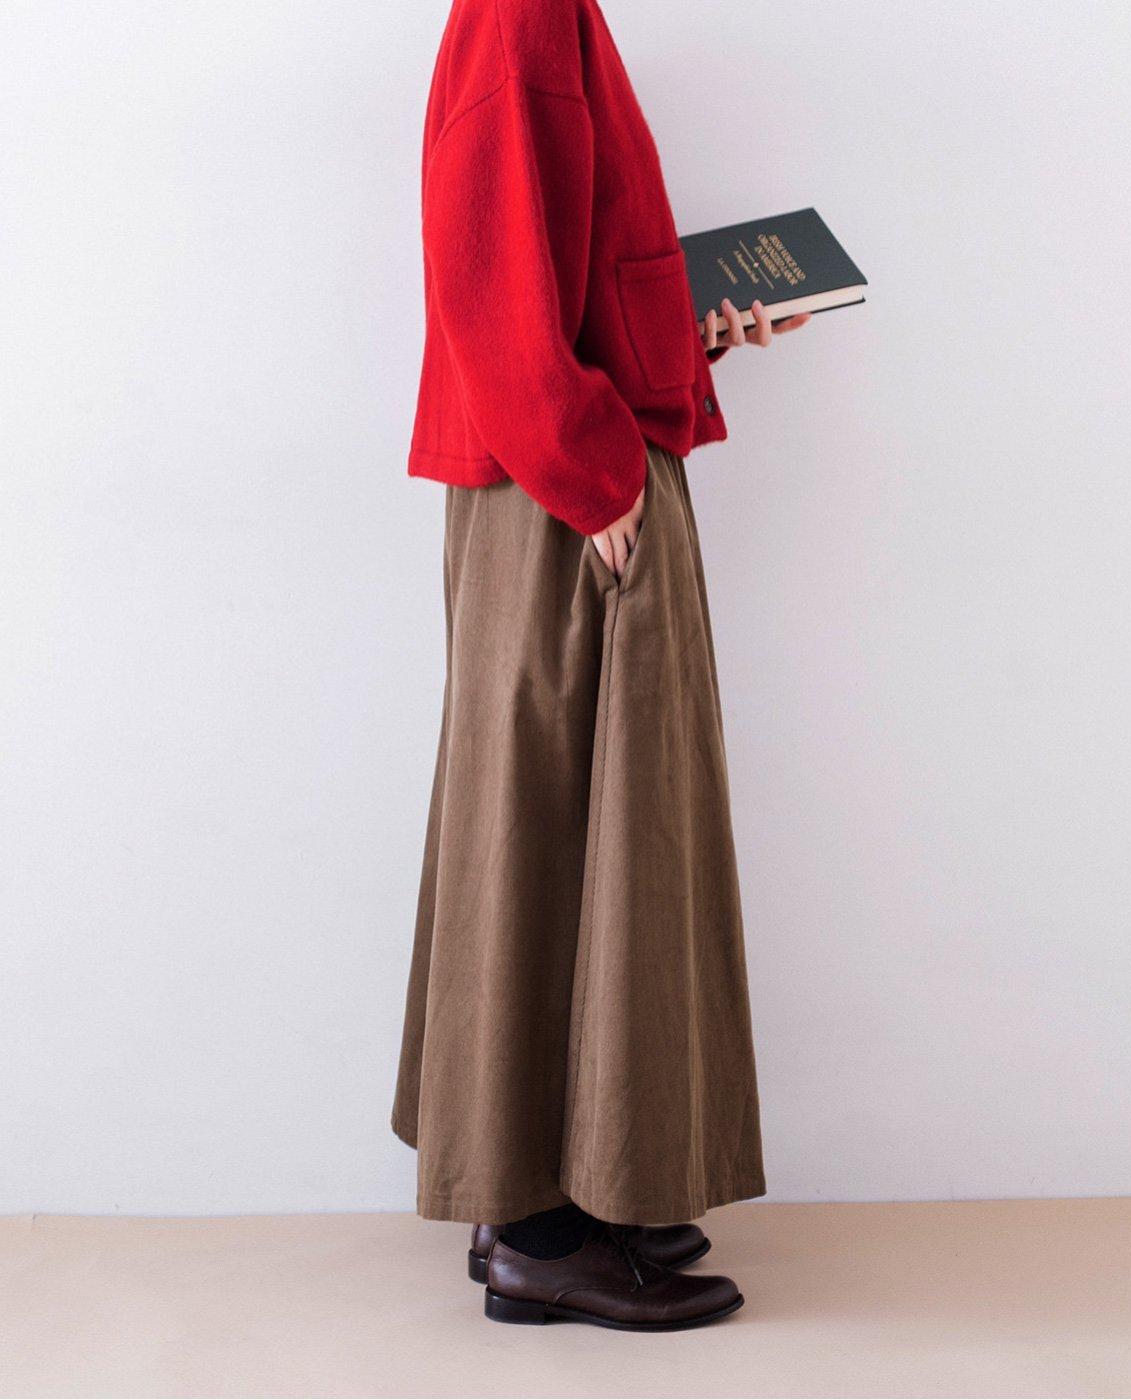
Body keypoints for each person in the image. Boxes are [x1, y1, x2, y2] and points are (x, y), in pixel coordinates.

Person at [391, 0, 809, 1331]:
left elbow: (571, 270)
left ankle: (555, 1197)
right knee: (553, 822)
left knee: (577, 821)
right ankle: (535, 1229)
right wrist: (593, 475)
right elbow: (492, 289)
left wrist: (695, 325)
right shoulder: (522, 18)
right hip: (560, 488)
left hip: (570, 474)